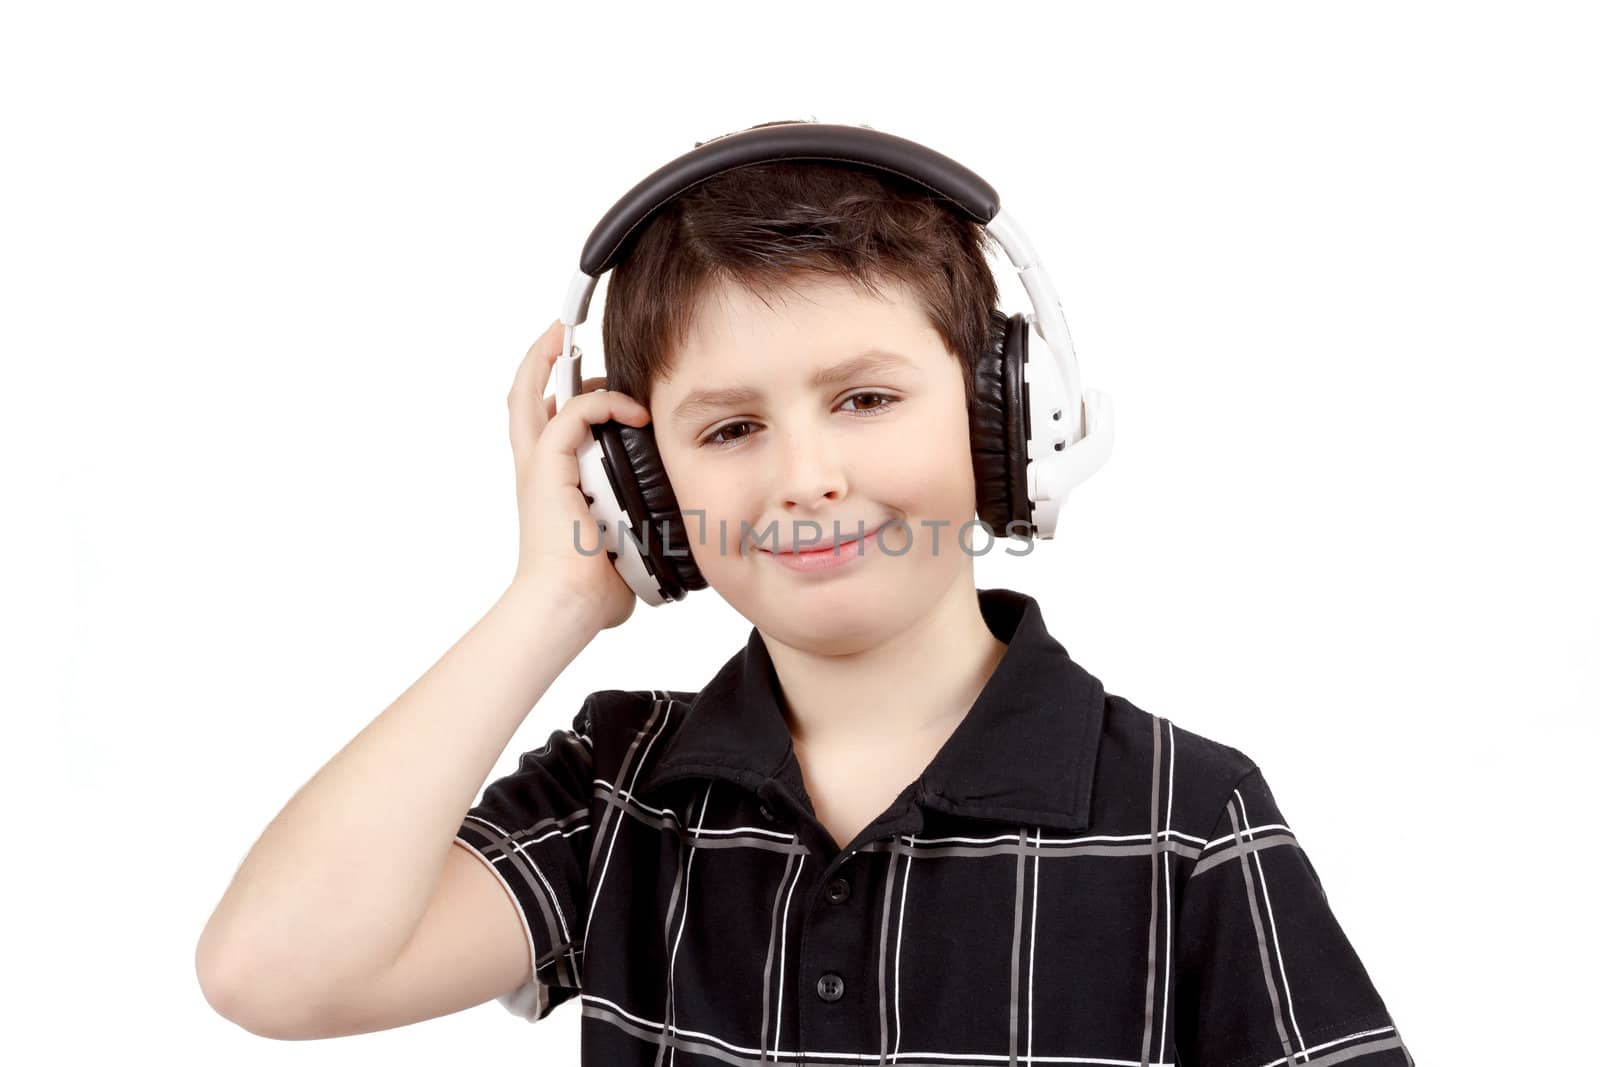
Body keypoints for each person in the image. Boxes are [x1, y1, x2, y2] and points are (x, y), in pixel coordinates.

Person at [195, 122, 1414, 1065]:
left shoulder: (1182, 816)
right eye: (728, 428)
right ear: (645, 492)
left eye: (866, 399)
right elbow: (273, 971)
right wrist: (550, 599)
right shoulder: (623, 790)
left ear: (1008, 423)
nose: (804, 477)